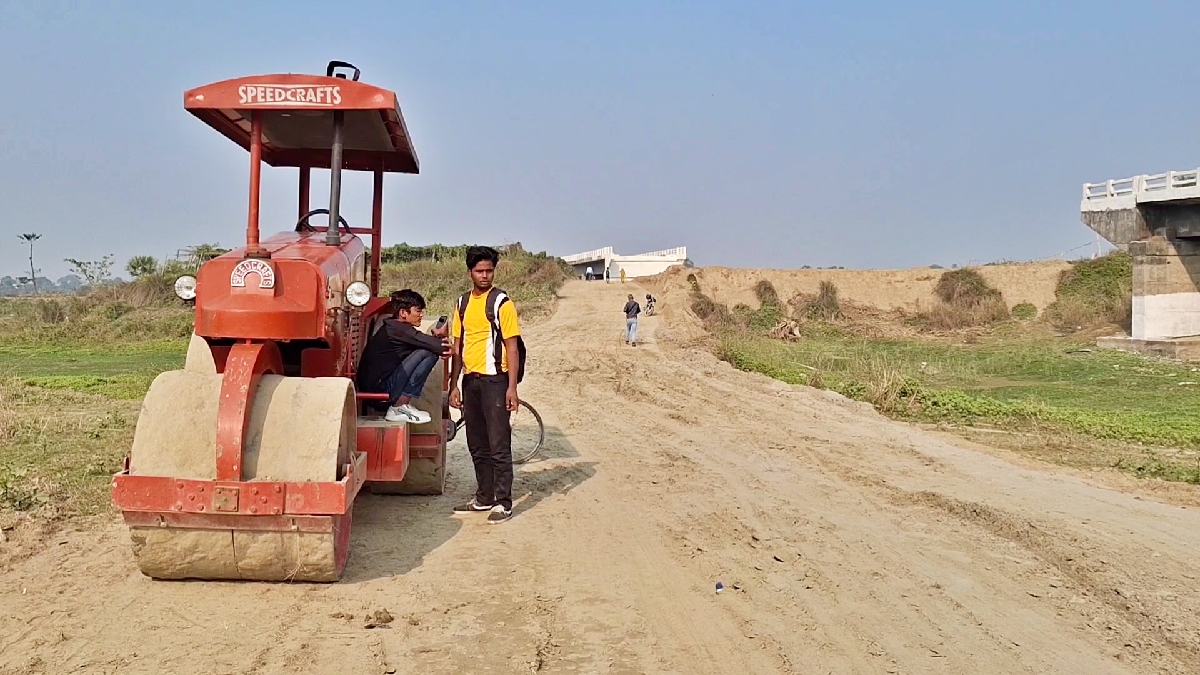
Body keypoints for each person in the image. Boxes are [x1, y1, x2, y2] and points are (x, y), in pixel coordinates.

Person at [448, 246, 522, 524]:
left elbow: (511, 347)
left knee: (499, 444)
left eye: (489, 270)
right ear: (470, 272)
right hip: (471, 381)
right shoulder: (462, 304)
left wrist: (511, 387)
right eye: (479, 270)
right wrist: (454, 385)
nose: (485, 275)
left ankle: (503, 502)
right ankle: (484, 497)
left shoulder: (502, 303)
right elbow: (458, 346)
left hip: (495, 382)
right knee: (477, 443)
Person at [356, 289, 450, 424]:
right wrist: (443, 341)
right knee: (428, 354)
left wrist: (435, 340)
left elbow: (425, 343)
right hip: (380, 391)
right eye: (418, 311)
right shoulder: (399, 329)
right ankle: (399, 407)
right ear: (403, 313)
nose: (421, 315)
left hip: (377, 389)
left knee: (426, 350)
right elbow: (440, 347)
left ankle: (401, 406)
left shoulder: (394, 327)